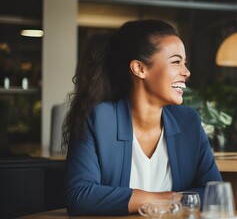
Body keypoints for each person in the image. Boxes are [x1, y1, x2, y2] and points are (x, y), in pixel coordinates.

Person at [62, 19, 222, 216]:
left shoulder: (188, 121)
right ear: (139, 68)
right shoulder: (100, 119)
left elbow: (214, 193)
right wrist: (166, 199)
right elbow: (79, 195)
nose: (186, 72)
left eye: (185, 63)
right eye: (176, 62)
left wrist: (160, 200)